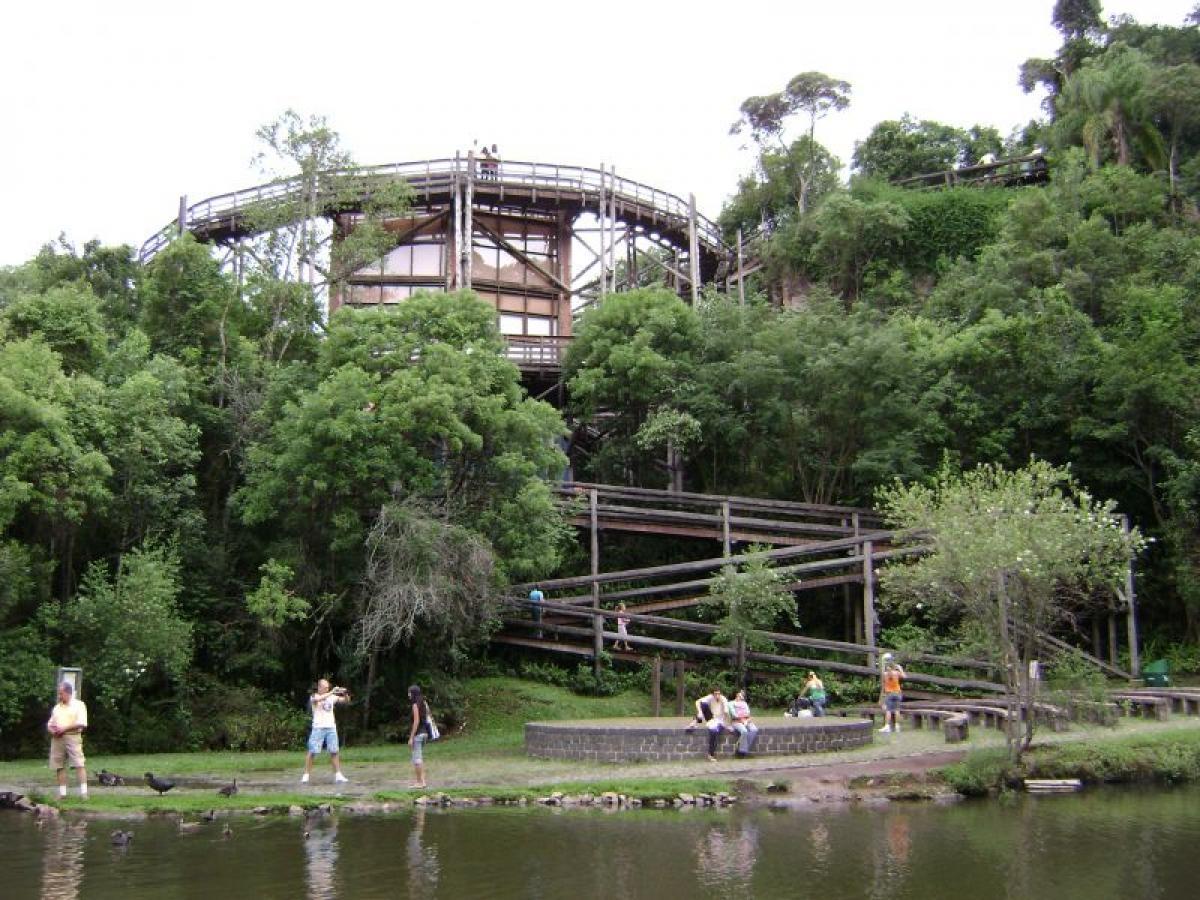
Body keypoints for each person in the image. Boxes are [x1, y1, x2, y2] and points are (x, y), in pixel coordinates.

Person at [302, 679, 350, 783]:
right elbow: (318, 699)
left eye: (328, 687)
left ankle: (338, 775)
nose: (327, 689)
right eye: (325, 687)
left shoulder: (331, 696)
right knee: (312, 751)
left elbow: (345, 701)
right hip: (318, 728)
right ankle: (306, 775)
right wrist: (332, 691)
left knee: (334, 751)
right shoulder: (314, 696)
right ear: (319, 687)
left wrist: (345, 693)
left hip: (331, 727)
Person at [47, 681, 88, 799]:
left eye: (61, 694)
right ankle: (62, 794)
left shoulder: (79, 705)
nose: (59, 696)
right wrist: (52, 730)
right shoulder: (57, 707)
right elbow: (50, 723)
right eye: (59, 694)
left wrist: (64, 729)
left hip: (73, 736)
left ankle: (84, 793)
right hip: (57, 738)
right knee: (58, 765)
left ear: (68, 693)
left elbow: (82, 723)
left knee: (79, 763)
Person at [685, 687, 730, 761]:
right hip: (712, 718)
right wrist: (700, 712)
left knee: (714, 732)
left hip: (720, 721)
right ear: (712, 694)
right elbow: (697, 702)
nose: (717, 696)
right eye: (715, 694)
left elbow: (726, 712)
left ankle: (711, 754)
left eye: (719, 694)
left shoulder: (723, 699)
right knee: (704, 704)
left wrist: (728, 724)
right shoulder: (710, 697)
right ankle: (694, 722)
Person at [408, 684, 432, 789]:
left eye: (409, 693)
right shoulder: (424, 703)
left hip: (418, 734)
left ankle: (419, 782)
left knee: (417, 759)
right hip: (425, 733)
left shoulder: (415, 705)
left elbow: (416, 721)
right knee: (419, 758)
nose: (408, 695)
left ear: (413, 693)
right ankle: (423, 781)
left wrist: (411, 737)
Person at [879, 653, 906, 733]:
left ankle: (887, 726)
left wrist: (881, 698)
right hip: (898, 693)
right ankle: (897, 727)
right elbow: (904, 676)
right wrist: (900, 669)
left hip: (889, 694)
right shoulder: (896, 673)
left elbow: (883, 686)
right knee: (897, 710)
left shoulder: (884, 674)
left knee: (888, 710)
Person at [728, 689, 759, 758]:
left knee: (754, 730)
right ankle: (742, 752)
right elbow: (734, 715)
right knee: (744, 731)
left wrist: (746, 719)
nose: (742, 695)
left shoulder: (744, 703)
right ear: (736, 695)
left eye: (742, 694)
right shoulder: (730, 703)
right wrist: (742, 718)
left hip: (746, 720)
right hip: (736, 721)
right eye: (741, 694)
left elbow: (748, 713)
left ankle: (743, 749)